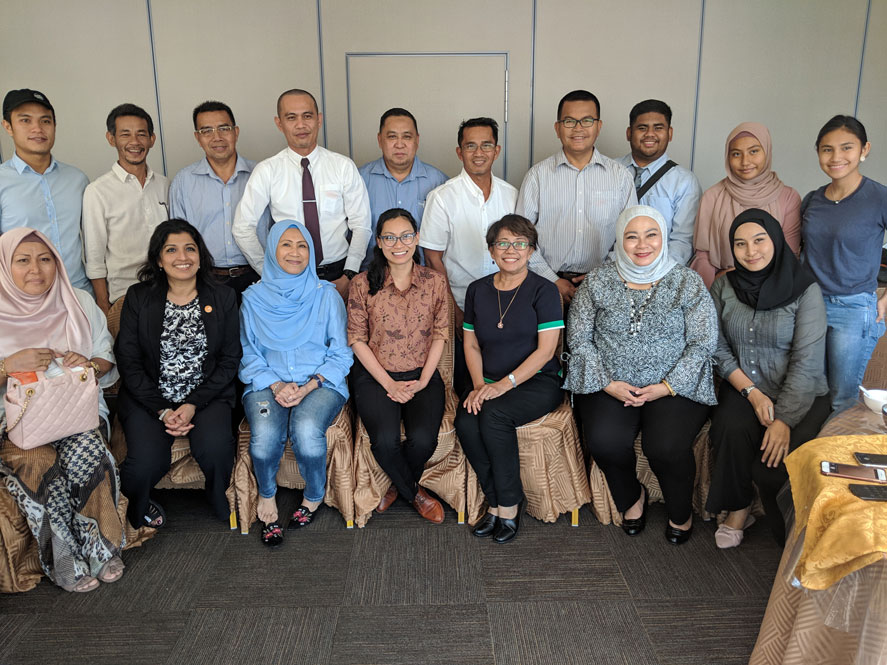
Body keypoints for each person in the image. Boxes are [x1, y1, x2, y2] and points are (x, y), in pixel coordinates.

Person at [565, 205, 717, 545]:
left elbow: (703, 342)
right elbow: (578, 338)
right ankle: (631, 497)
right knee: (605, 441)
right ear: (620, 239)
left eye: (651, 235)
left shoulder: (686, 282)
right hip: (609, 384)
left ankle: (681, 511)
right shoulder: (597, 281)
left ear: (663, 238)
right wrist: (606, 382)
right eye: (632, 236)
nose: (641, 244)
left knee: (664, 446)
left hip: (674, 385)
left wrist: (667, 386)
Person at [0, 228, 123, 593]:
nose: (35, 269)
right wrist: (10, 365)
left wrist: (87, 364)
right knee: (38, 463)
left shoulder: (79, 301)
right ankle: (64, 557)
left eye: (45, 258)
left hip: (76, 414)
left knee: (86, 451)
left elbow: (106, 358)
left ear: (57, 262)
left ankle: (100, 547)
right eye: (22, 260)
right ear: (6, 266)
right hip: (16, 424)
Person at [707, 210, 830, 547]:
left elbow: (807, 365)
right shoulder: (724, 286)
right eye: (741, 244)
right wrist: (751, 392)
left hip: (801, 393)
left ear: (776, 241)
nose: (751, 251)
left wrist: (784, 420)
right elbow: (715, 345)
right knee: (728, 428)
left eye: (759, 240)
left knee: (770, 469)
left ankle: (789, 536)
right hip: (746, 387)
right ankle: (739, 507)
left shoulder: (806, 291)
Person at [115, 220, 241, 530]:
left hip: (206, 396)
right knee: (145, 463)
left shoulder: (222, 297)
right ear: (158, 259)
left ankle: (217, 497)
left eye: (189, 248)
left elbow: (229, 359)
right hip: (149, 398)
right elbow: (128, 360)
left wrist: (192, 403)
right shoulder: (138, 296)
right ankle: (139, 504)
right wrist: (162, 409)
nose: (182, 257)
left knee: (215, 449)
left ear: (200, 255)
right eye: (171, 250)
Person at [240, 220, 353, 547]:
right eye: (285, 244)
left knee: (305, 430)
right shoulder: (253, 299)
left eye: (302, 245)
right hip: (266, 382)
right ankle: (266, 496)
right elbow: (248, 354)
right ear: (272, 250)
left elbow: (341, 354)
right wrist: (276, 386)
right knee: (264, 438)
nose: (294, 252)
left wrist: (308, 386)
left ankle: (315, 495)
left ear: (312, 252)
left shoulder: (325, 297)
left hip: (319, 383)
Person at [454, 214, 564, 544]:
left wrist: (502, 386)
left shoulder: (544, 291)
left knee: (493, 414)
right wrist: (478, 386)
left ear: (531, 251)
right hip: (485, 379)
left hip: (538, 382)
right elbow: (470, 342)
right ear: (491, 250)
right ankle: (498, 500)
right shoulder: (477, 290)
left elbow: (546, 352)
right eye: (503, 243)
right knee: (466, 420)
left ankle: (509, 504)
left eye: (520, 244)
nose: (511, 250)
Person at [347, 208, 448, 523]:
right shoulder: (363, 284)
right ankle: (413, 493)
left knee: (423, 438)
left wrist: (422, 381)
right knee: (386, 439)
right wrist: (389, 384)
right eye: (389, 237)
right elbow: (357, 340)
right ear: (378, 242)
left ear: (417, 238)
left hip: (423, 374)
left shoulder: (434, 282)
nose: (398, 243)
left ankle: (396, 485)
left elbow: (441, 336)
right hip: (375, 378)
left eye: (406, 236)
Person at [233, 89, 371, 298]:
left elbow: (361, 225)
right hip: (289, 277)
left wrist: (349, 275)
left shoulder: (342, 166)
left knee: (339, 330)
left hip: (338, 274)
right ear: (279, 123)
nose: (301, 125)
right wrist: (270, 274)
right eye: (291, 117)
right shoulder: (268, 170)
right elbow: (242, 228)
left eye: (307, 116)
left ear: (319, 120)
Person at [419, 117, 517, 393]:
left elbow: (520, 253)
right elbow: (432, 259)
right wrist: (455, 310)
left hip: (508, 305)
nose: (479, 152)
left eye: (486, 145)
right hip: (463, 306)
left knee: (503, 382)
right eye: (470, 146)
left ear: (496, 151)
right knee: (466, 387)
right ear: (459, 152)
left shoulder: (512, 196)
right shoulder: (442, 197)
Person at [801, 115, 887, 414]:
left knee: (842, 401)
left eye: (846, 147)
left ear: (864, 149)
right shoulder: (812, 200)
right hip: (810, 306)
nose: (836, 157)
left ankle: (834, 462)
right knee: (810, 395)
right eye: (827, 149)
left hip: (853, 308)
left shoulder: (879, 197)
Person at [517, 90, 636, 304]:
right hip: (545, 286)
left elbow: (630, 236)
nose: (578, 128)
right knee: (549, 339)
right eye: (569, 121)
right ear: (558, 128)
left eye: (587, 120)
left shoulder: (620, 176)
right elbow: (520, 238)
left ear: (599, 127)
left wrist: (600, 276)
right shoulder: (537, 176)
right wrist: (551, 279)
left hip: (604, 286)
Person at [170, 100, 270, 299]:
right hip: (207, 280)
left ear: (236, 132)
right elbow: (178, 239)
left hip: (259, 276)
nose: (217, 137)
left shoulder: (262, 174)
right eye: (207, 131)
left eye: (224, 128)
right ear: (198, 138)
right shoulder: (183, 181)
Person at [82, 103, 170, 316]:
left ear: (152, 139)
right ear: (111, 139)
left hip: (169, 292)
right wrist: (104, 307)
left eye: (141, 134)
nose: (134, 142)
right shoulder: (97, 191)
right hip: (125, 298)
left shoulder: (166, 185)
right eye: (125, 134)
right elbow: (94, 258)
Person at [0, 89, 91, 292]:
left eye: (45, 121)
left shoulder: (77, 179)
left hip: (78, 293)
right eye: (25, 120)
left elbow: (93, 243)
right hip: (25, 300)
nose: (37, 129)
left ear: (55, 126)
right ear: (8, 126)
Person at [690, 122, 801, 288]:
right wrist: (713, 293)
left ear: (767, 152)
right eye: (736, 154)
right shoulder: (713, 196)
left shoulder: (788, 197)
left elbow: (789, 255)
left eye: (754, 151)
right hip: (721, 288)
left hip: (771, 290)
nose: (745, 161)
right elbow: (703, 256)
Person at [358, 108, 448, 269]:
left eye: (407, 137)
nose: (399, 144)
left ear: (417, 140)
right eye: (392, 136)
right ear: (380, 140)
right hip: (370, 278)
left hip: (423, 281)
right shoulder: (359, 180)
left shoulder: (439, 182)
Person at [618, 99, 701, 265]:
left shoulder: (684, 182)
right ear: (629, 133)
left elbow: (682, 241)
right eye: (642, 128)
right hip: (607, 272)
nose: (650, 134)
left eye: (658, 128)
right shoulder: (609, 171)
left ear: (670, 133)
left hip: (658, 276)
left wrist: (653, 274)